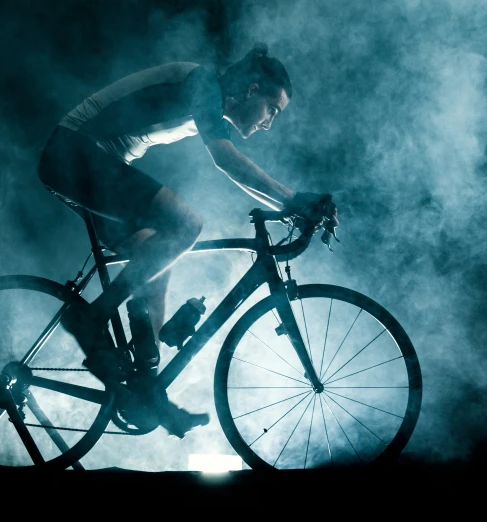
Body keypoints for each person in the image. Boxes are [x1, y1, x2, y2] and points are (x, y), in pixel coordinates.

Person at [38, 43, 338, 437]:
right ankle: (89, 318)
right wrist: (293, 199)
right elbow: (226, 160)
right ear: (251, 90)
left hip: (93, 161)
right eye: (272, 110)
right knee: (184, 226)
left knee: (160, 252)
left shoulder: (212, 99)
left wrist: (293, 207)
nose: (268, 123)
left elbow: (235, 169)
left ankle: (147, 389)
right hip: (75, 151)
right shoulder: (204, 84)